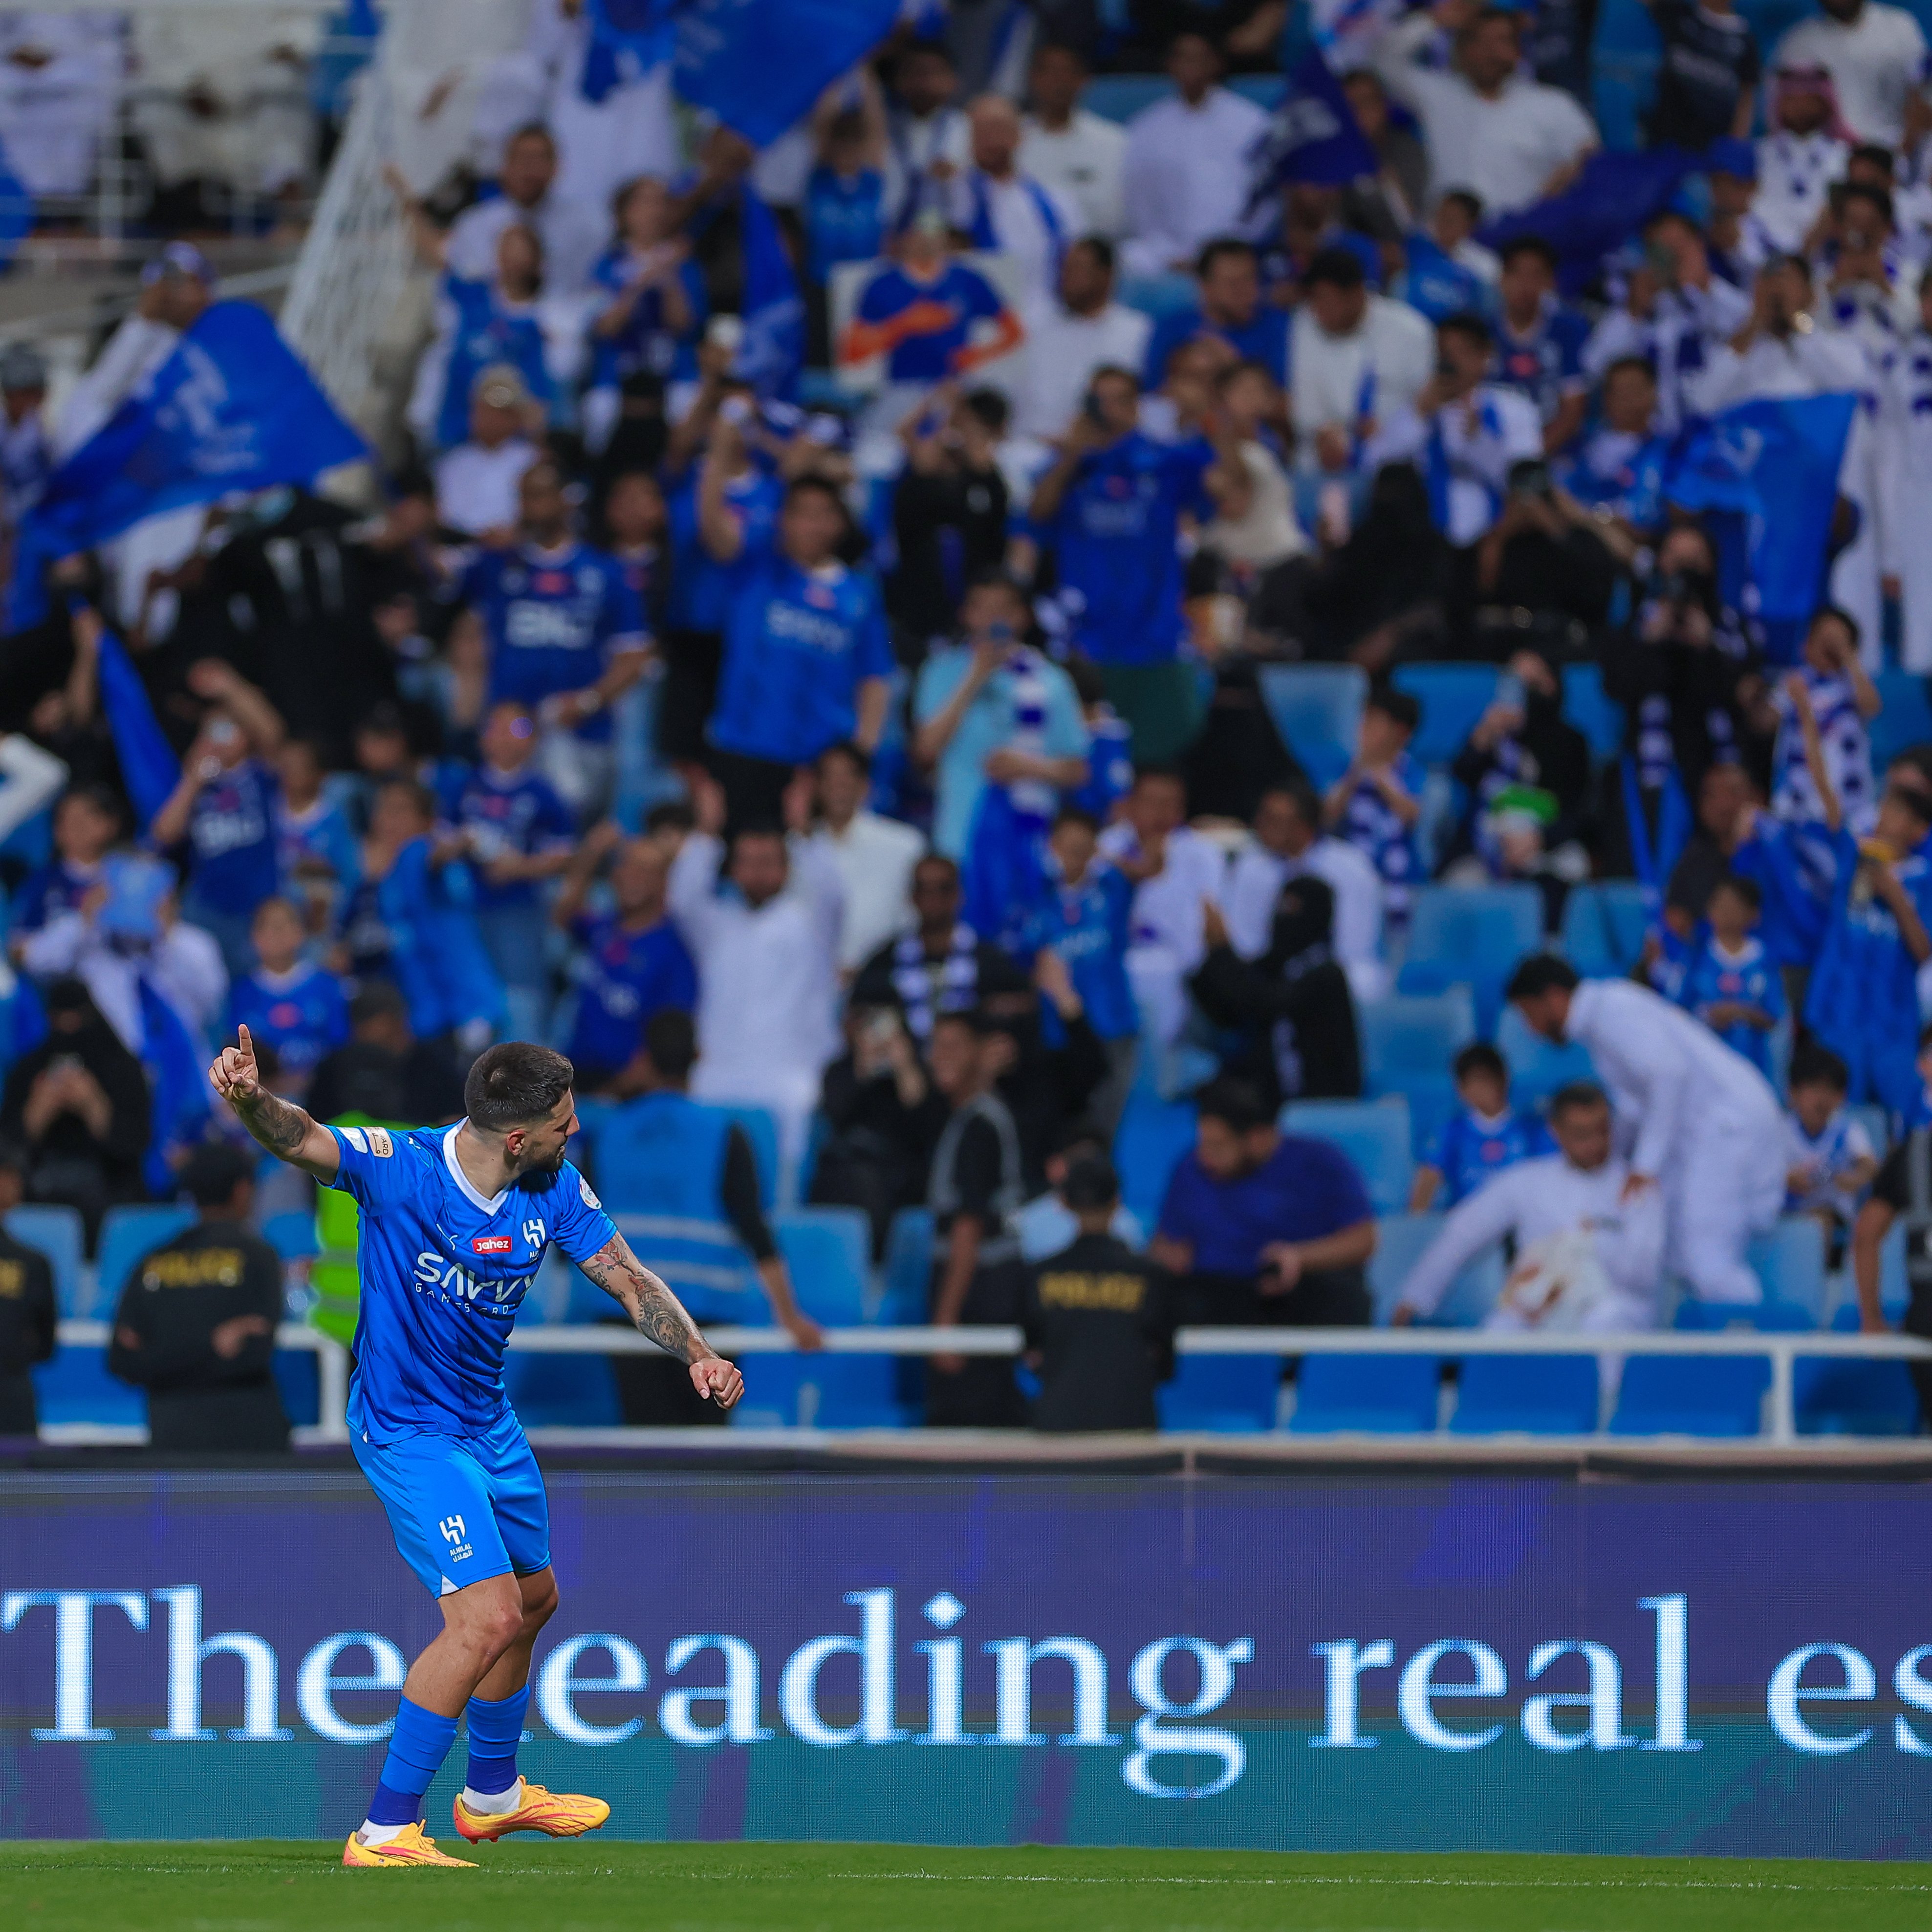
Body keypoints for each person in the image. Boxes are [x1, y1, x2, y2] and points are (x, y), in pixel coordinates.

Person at [208, 1030, 741, 1865]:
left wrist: (698, 1352)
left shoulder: (554, 1184)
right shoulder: (402, 1166)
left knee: (535, 1600)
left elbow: (629, 1277)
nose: (576, 1133)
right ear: (517, 1135)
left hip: (487, 1423)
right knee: (487, 1616)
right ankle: (384, 1831)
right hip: (409, 1428)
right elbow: (301, 1135)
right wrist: (247, 1100)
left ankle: (491, 1796)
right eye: (563, 1124)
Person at [1506, 954, 1787, 1305]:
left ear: (1552, 996)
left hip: (1725, 1128)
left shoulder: (1613, 1009)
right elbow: (1635, 1109)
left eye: (1528, 1014)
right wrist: (1614, 1162)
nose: (1531, 1029)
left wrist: (1644, 1167)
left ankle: (1758, 1352)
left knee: (1708, 1264)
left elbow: (1668, 1074)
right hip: (1714, 1131)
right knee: (1677, 1257)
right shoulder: (1602, 1027)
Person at [601, 1009, 821, 1426]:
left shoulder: (609, 1132)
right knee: (702, 1453)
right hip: (705, 1315)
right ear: (698, 1056)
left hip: (624, 1311)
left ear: (644, 1058)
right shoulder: (724, 1133)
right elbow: (754, 1229)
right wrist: (788, 1314)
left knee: (643, 1444)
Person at [697, 425, 893, 832]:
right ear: (784, 520)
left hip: (817, 762)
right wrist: (722, 447)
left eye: (825, 514)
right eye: (802, 513)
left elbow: (875, 676)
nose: (813, 525)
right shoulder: (756, 571)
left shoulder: (860, 594)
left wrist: (860, 752)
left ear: (841, 523)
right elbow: (713, 525)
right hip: (744, 746)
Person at [1027, 365, 1216, 763]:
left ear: (1136, 405)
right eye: (1099, 400)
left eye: (1120, 399)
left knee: (1158, 761)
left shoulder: (1163, 459)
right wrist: (1071, 456)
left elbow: (1226, 489)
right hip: (1086, 640)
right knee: (1083, 761)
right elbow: (1038, 512)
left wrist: (1208, 415)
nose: (1108, 410)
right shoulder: (1070, 468)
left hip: (1155, 637)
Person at [667, 781, 845, 1188]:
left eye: (768, 861)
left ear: (785, 868)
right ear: (734, 869)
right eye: (748, 862)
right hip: (717, 1070)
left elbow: (833, 894)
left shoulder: (808, 923)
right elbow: (681, 900)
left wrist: (802, 834)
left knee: (776, 1182)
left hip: (789, 1076)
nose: (758, 872)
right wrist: (707, 835)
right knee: (704, 1174)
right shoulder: (716, 924)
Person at [458, 458, 651, 818]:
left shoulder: (605, 572)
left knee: (570, 822)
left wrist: (589, 701)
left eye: (542, 495)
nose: (532, 507)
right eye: (525, 497)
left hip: (580, 731)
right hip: (513, 731)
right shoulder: (496, 566)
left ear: (567, 499)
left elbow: (635, 655)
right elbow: (459, 620)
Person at [1392, 1082, 1668, 1329]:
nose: (1595, 1144)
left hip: (1614, 1307)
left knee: (1601, 1325)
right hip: (1537, 1308)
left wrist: (1568, 1270)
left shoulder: (1637, 1188)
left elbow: (1644, 1276)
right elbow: (1461, 1236)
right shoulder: (1527, 1181)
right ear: (1555, 1131)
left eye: (1602, 1131)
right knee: (1501, 1330)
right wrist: (1414, 1299)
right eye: (1582, 1135)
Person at [107, 1142, 289, 1453]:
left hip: (172, 1435)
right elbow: (123, 1360)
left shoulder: (152, 1262)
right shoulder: (259, 1258)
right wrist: (214, 1344)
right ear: (243, 1190)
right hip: (252, 1442)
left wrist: (164, 1356)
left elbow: (129, 1360)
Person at [1150, 1076, 1376, 1326]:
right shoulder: (1189, 1168)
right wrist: (1168, 1257)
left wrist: (1300, 1257)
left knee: (1344, 1298)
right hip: (1215, 1293)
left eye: (1217, 1146)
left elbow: (1363, 1240)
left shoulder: (1321, 1163)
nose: (1205, 1157)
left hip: (1299, 1288)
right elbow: (1164, 1242)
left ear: (1258, 1138)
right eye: (1203, 1143)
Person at [914, 567, 1090, 865]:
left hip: (1031, 845)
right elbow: (925, 751)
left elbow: (1079, 770)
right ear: (966, 615)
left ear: (1023, 616)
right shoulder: (940, 671)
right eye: (982, 609)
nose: (992, 620)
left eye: (1003, 610)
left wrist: (1032, 768)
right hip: (960, 841)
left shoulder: (1051, 680)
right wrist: (976, 676)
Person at [1374, 0, 1600, 219]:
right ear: (1460, 49)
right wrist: (1434, 20)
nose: (1490, 52)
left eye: (1500, 41)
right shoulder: (1438, 95)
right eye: (1479, 42)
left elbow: (1591, 158)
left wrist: (1559, 189)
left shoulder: (1552, 105)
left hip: (1521, 240)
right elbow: (1383, 62)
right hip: (1448, 244)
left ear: (1518, 51)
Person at [924, 1008, 1029, 1427]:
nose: (939, 1056)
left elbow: (968, 1227)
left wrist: (946, 1322)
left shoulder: (979, 1127)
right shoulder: (967, 1117)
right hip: (981, 1295)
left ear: (980, 1053)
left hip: (979, 1300)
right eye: (935, 1046)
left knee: (971, 1426)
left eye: (952, 1046)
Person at [149, 658, 287, 975]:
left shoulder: (258, 775)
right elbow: (163, 834)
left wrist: (230, 686)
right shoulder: (196, 785)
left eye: (228, 729)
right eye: (211, 730)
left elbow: (273, 733)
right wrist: (192, 781)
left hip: (257, 907)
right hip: (206, 908)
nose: (218, 738)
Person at [1021, 1153, 1173, 1433]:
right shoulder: (1151, 1277)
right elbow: (1165, 1362)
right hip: (1131, 1429)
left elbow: (1032, 1354)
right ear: (1117, 1203)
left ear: (1063, 1203)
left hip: (1059, 1427)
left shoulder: (1039, 1277)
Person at [1366, 311, 1545, 545]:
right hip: (1425, 540)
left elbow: (1527, 483)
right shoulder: (1419, 405)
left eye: (1462, 352)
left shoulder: (1514, 408)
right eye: (1445, 353)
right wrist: (1418, 416)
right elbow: (1373, 465)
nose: (1453, 363)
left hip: (1497, 539)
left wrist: (1479, 441)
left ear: (1485, 355)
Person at [0, 977, 151, 1241]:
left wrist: (94, 1106)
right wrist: (37, 1113)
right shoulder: (28, 1070)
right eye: (60, 1021)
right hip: (40, 1199)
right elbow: (8, 1153)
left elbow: (136, 1144)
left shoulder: (122, 1068)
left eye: (77, 1020)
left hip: (110, 1195)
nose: (69, 1030)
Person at [551, 823, 695, 1097]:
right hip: (575, 1074)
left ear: (663, 882)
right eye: (626, 867)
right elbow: (563, 915)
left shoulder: (674, 954)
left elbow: (667, 1042)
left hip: (625, 1092)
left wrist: (607, 1096)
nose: (631, 877)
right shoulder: (604, 928)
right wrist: (591, 855)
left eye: (644, 871)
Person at [1193, 879, 1363, 1107]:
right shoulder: (1276, 965)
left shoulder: (1327, 974)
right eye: (1280, 907)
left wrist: (1223, 950)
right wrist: (1207, 955)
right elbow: (1228, 1013)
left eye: (1291, 908)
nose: (1282, 917)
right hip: (1270, 1098)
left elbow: (1263, 1003)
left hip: (1321, 1103)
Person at [1219, 780, 1387, 1002]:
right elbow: (1245, 943)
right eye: (1262, 815)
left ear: (1303, 828)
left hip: (1331, 971)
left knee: (1361, 980)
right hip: (1271, 974)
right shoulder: (1251, 866)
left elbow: (1355, 949)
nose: (1260, 824)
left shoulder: (1351, 868)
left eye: (1273, 820)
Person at [1120, 33, 1272, 279]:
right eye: (1183, 58)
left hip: (1235, 254)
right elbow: (1140, 205)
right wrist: (1170, 255)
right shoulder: (1146, 129)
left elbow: (1264, 197)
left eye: (1200, 58)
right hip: (1167, 259)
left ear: (1217, 64)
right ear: (1170, 65)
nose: (1191, 66)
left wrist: (1229, 251)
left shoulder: (1251, 124)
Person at [1286, 247, 1434, 481]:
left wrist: (1388, 435)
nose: (1318, 310)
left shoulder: (1412, 331)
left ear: (1356, 294)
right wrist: (1325, 434)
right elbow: (1306, 405)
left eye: (1326, 299)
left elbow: (1427, 405)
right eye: (1313, 298)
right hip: (1325, 453)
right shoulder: (1304, 323)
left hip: (1395, 456)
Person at [850, 851, 1030, 1041]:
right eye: (923, 889)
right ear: (911, 897)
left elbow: (1024, 1008)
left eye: (943, 889)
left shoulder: (991, 961)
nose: (933, 899)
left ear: (958, 895)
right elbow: (855, 1016)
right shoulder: (884, 963)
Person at [941, 94, 1080, 309]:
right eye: (981, 131)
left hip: (1049, 315)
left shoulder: (1057, 201)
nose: (991, 139)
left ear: (1019, 135)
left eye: (998, 129)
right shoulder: (951, 196)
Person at [1013, 238, 1153, 443]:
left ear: (1106, 275)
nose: (1066, 279)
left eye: (1078, 270)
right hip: (1028, 447)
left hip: (1101, 451)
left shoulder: (1137, 332)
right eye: (1065, 269)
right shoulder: (1033, 328)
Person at [808, 741, 923, 977]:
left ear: (865, 786)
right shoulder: (798, 849)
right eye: (830, 778)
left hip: (884, 981)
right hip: (814, 982)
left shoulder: (904, 845)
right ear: (817, 788)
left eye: (847, 777)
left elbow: (913, 921)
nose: (839, 787)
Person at [1325, 686, 1425, 940]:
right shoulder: (1346, 768)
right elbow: (1327, 817)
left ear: (1400, 732)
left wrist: (1380, 776)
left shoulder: (1412, 771)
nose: (1363, 728)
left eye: (1373, 722)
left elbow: (1411, 814)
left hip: (1398, 879)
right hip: (1352, 875)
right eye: (1363, 720)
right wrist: (1354, 777)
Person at [225, 896, 349, 1097]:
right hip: (265, 1097)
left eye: (284, 926)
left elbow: (340, 1046)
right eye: (269, 927)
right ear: (255, 937)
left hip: (322, 1094)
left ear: (300, 933)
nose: (277, 934)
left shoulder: (327, 986)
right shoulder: (242, 993)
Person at [1410, 1042, 1554, 1211]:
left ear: (1505, 1078)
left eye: (1488, 1079)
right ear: (1461, 1090)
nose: (1484, 1088)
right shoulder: (1451, 1131)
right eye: (1475, 1082)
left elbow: (1552, 1179)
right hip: (1467, 1225)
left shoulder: (1532, 1129)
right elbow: (1426, 1184)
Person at [1143, 239, 1291, 396]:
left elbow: (1286, 404)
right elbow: (1150, 395)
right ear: (1205, 286)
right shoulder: (1171, 328)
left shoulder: (1278, 327)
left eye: (1250, 279)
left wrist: (1234, 368)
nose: (1246, 292)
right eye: (1233, 284)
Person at [305, 984, 466, 1129]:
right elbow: (312, 1132)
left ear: (402, 1023)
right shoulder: (332, 1071)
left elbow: (454, 1130)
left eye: (388, 1038)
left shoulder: (436, 1069)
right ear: (355, 1033)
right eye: (371, 1044)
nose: (380, 1051)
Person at [1773, 0, 1926, 148]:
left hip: (1896, 152)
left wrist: (1904, 151)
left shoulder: (1900, 28)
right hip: (1828, 159)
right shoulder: (1799, 42)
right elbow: (1781, 118)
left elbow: (1923, 96)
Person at [1490, 237, 1593, 456]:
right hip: (1490, 450)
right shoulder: (1482, 329)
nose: (1525, 285)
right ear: (1501, 279)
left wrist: (1530, 458)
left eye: (1536, 276)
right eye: (1517, 274)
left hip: (1551, 452)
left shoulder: (1569, 330)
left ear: (1551, 282)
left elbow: (1572, 411)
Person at [1677, 874, 1785, 1076]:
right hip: (1703, 1063)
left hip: (1750, 1065)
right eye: (1720, 905)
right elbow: (1677, 1009)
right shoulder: (1696, 956)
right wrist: (1709, 1014)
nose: (1726, 913)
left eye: (1734, 906)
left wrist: (1740, 1012)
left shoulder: (1765, 959)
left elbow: (1773, 1016)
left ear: (1753, 914)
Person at [1018, 41, 1127, 240]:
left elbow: (1120, 216)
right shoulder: (1013, 140)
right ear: (1034, 79)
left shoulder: (1115, 142)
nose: (1060, 81)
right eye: (1051, 72)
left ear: (1083, 80)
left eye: (1068, 72)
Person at [1784, 1042, 1879, 1249]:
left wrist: (1856, 1179)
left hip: (1834, 1214)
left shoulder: (1848, 1131)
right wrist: (1787, 1179)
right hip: (1786, 1213)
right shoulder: (1780, 1131)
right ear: (1793, 1092)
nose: (1822, 1099)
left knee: (1819, 1222)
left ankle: (1819, 1278)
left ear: (1842, 1097)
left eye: (1831, 1090)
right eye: (1814, 1088)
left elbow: (1869, 1165)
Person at [433, 367, 542, 542]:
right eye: (483, 411)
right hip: (459, 546)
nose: (489, 419)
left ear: (516, 417)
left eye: (500, 414)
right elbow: (443, 516)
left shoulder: (533, 460)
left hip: (515, 548)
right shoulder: (452, 463)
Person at [1644, 0, 1762, 149]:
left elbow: (1747, 96)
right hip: (1665, 140)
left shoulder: (1745, 37)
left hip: (1713, 148)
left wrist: (1735, 142)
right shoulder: (1679, 13)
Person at [0, 1142, 56, 1436]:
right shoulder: (33, 1263)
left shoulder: (34, 1264)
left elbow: (45, 1345)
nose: (13, 1184)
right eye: (7, 1175)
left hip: (12, 1399)